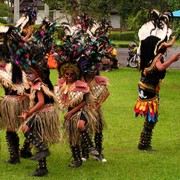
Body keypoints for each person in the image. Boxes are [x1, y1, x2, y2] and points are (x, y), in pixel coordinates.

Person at [134, 9, 180, 151]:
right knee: (151, 117)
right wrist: (172, 59)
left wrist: (171, 40)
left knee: (151, 117)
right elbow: (159, 68)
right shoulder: (156, 57)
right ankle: (144, 143)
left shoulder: (146, 55)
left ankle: (144, 143)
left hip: (145, 86)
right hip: (149, 89)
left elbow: (163, 45)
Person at [18, 45, 61, 177]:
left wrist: (29, 112)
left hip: (44, 112)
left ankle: (42, 149)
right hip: (46, 111)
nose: (28, 75)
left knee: (26, 128)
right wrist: (27, 96)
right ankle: (42, 168)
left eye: (30, 73)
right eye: (27, 73)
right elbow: (37, 97)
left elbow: (41, 101)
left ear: (37, 73)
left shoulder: (38, 85)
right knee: (39, 136)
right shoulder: (37, 83)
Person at [54, 61, 99, 168]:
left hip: (82, 110)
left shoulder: (81, 85)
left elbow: (84, 101)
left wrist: (70, 112)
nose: (69, 76)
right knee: (72, 137)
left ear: (76, 74)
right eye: (67, 74)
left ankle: (90, 146)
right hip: (70, 113)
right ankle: (77, 160)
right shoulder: (62, 85)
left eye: (72, 74)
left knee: (80, 125)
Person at [82, 65, 110, 162]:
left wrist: (100, 103)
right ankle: (85, 153)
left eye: (94, 71)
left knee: (98, 129)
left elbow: (106, 93)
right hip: (84, 109)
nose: (93, 73)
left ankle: (98, 153)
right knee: (85, 129)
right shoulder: (81, 79)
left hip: (95, 109)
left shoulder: (98, 80)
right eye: (90, 71)